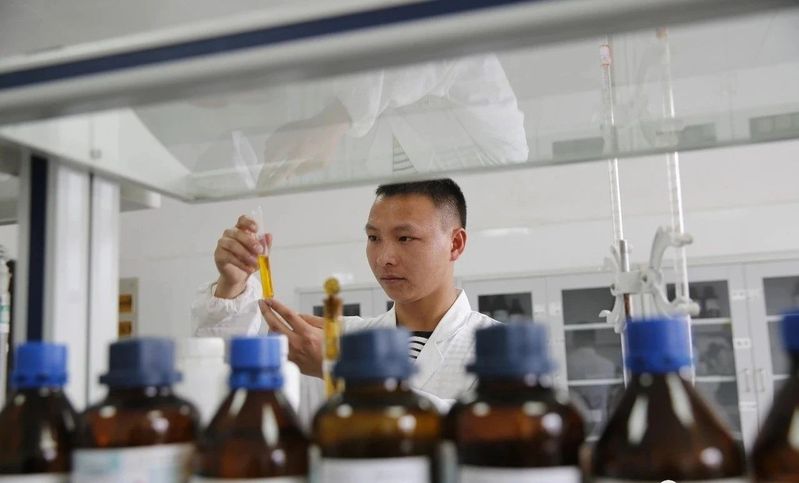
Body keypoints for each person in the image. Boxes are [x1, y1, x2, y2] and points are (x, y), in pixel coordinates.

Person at [192, 178, 498, 425]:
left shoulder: (493, 346)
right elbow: (230, 393)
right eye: (374, 238)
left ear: (455, 243)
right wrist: (232, 285)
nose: (384, 258)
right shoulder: (337, 339)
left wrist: (342, 371)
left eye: (405, 238)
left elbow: (480, 431)